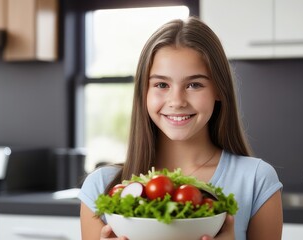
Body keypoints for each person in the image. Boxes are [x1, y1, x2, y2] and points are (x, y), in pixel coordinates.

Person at [78, 16, 283, 240]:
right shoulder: (101, 187)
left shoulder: (256, 180)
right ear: (144, 93)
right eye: (161, 85)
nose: (177, 101)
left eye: (194, 84)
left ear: (218, 90)